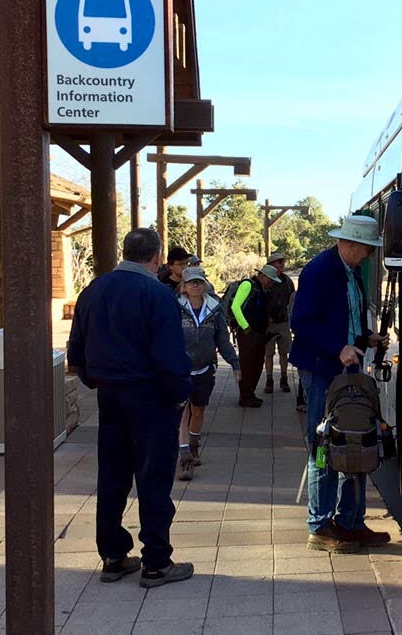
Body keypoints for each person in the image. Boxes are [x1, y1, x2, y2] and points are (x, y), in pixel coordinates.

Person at [67, 228, 194, 588]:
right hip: (150, 397)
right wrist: (179, 393)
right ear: (156, 258)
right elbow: (170, 356)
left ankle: (113, 555)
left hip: (109, 395)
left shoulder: (93, 290)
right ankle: (155, 561)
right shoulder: (157, 294)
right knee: (153, 479)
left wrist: (98, 381)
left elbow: (76, 351)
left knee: (112, 477)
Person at [291, 215, 392, 553]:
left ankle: (350, 521)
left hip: (345, 368)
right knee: (325, 445)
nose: (369, 256)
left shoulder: (351, 271)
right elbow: (301, 322)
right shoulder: (319, 271)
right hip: (322, 370)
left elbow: (347, 320)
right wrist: (339, 347)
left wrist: (365, 338)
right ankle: (320, 525)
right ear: (349, 244)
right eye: (366, 249)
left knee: (357, 442)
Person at [176, 266, 241, 481]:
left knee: (198, 409)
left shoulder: (214, 308)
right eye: (191, 282)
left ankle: (194, 444)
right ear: (184, 287)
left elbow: (222, 338)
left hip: (205, 367)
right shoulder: (175, 306)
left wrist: (235, 363)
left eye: (199, 282)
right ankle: (185, 457)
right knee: (182, 413)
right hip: (180, 369)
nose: (195, 285)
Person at [224, 264, 281, 407]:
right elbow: (235, 306)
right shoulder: (248, 285)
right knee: (247, 365)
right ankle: (245, 397)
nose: (271, 283)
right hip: (247, 333)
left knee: (256, 364)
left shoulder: (260, 288)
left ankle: (250, 394)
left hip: (258, 333)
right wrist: (246, 327)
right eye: (270, 279)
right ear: (262, 276)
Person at [263, 251, 296, 394]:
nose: (282, 264)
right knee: (268, 353)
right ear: (271, 264)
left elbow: (292, 300)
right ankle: (269, 379)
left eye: (283, 261)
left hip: (283, 322)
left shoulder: (287, 281)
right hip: (268, 323)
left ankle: (284, 378)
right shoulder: (265, 281)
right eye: (279, 262)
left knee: (284, 352)